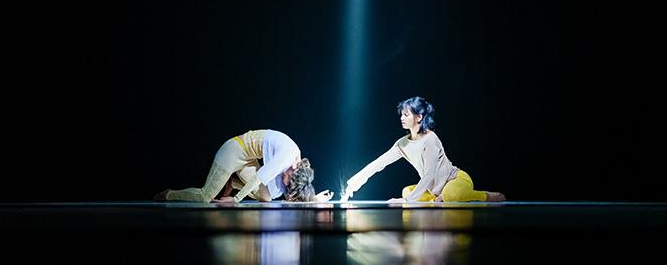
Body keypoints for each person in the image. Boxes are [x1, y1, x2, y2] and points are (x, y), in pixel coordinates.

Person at [341, 97, 506, 203]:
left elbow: (429, 174)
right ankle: (436, 199)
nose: (401, 118)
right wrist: (353, 184)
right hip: (433, 190)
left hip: (455, 180)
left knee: (451, 195)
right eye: (401, 114)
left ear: (419, 117)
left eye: (406, 114)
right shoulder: (402, 144)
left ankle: (486, 196)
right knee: (407, 190)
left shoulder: (430, 139)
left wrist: (408, 201)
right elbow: (378, 164)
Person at [154, 129, 333, 203]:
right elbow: (259, 177)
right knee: (205, 196)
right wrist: (236, 200)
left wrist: (314, 199)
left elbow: (288, 193)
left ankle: (234, 182)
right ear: (292, 170)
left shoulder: (296, 162)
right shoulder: (287, 157)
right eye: (287, 180)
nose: (284, 183)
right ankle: (169, 194)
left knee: (267, 196)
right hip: (233, 151)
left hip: (248, 162)